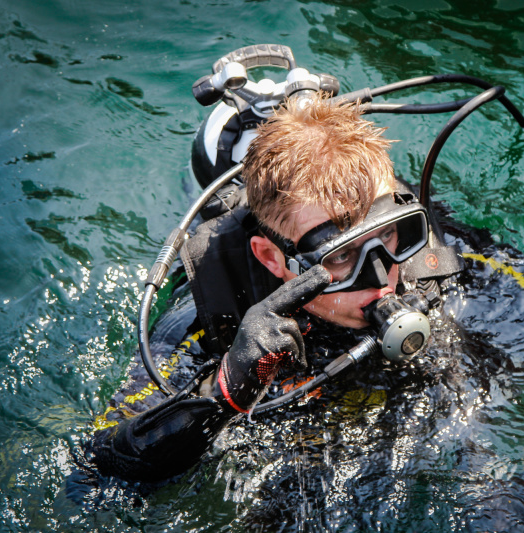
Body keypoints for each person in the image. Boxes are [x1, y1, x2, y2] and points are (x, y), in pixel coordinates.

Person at [84, 92, 464, 483]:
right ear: (271, 258)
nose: (383, 277)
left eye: (384, 236)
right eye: (338, 257)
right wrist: (227, 387)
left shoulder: (422, 249)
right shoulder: (209, 316)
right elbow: (99, 465)